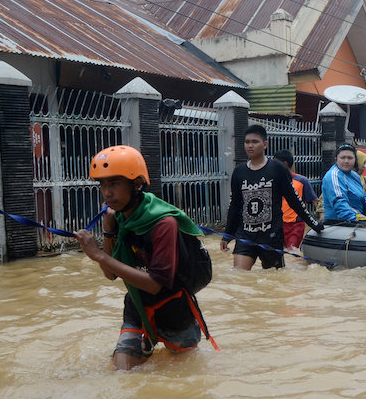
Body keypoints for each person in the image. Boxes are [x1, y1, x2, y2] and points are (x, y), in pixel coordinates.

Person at [75, 145, 213, 371]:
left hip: (174, 311)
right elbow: (110, 275)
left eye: (114, 184)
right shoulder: (120, 219)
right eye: (103, 185)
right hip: (137, 306)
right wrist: (108, 231)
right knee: (122, 374)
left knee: (186, 377)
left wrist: (99, 254)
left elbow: (155, 284)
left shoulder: (163, 224)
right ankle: (144, 343)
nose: (107, 192)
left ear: (136, 184)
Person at [221, 125, 322, 269]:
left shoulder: (277, 169)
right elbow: (235, 205)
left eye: (255, 142)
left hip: (272, 236)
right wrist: (227, 235)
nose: (250, 145)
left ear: (265, 144)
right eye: (247, 142)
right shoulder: (239, 172)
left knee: (274, 279)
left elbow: (294, 200)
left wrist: (314, 224)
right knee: (239, 276)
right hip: (245, 235)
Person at [273, 148, 318, 249]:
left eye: (276, 163)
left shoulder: (302, 181)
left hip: (295, 225)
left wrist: (321, 220)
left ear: (284, 164)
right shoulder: (273, 181)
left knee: (292, 252)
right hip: (278, 224)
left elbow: (315, 201)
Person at [321, 142, 366, 223]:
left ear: (355, 160)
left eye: (350, 158)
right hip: (339, 224)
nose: (346, 161)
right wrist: (359, 221)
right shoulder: (333, 176)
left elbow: (363, 197)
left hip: (357, 221)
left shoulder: (355, 175)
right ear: (336, 159)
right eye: (342, 158)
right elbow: (339, 203)